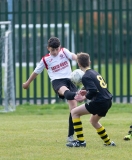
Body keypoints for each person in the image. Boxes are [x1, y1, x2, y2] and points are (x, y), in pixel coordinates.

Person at [22, 37, 78, 142]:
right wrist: (27, 83)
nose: (55, 52)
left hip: (70, 80)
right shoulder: (45, 59)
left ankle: (70, 136)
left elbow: (73, 56)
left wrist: (80, 58)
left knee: (74, 110)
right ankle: (82, 96)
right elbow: (36, 72)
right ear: (48, 48)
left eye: (57, 49)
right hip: (58, 82)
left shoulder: (64, 52)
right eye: (53, 50)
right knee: (68, 93)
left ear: (59, 47)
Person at [66, 52, 116, 147]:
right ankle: (109, 143)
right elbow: (97, 88)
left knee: (74, 112)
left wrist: (84, 98)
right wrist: (85, 91)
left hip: (100, 102)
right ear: (90, 62)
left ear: (79, 64)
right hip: (108, 101)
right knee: (94, 121)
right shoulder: (94, 72)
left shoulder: (85, 76)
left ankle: (81, 142)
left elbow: (93, 90)